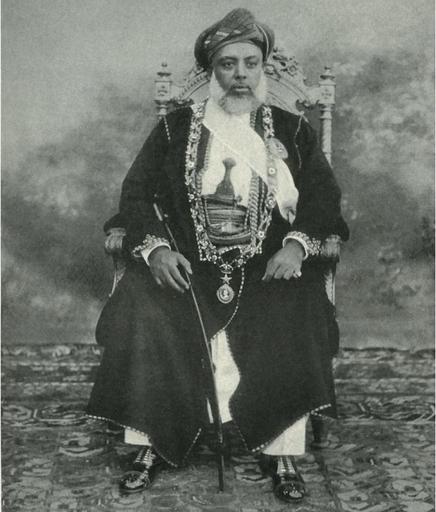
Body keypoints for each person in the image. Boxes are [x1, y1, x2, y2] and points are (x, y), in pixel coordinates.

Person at [87, 7, 349, 504]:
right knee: (143, 304)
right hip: (189, 266)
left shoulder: (292, 130)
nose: (240, 75)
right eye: (228, 64)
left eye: (251, 63)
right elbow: (136, 195)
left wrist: (296, 246)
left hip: (267, 267)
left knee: (297, 307)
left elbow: (323, 199)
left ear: (263, 68)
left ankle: (282, 450)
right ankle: (152, 444)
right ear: (212, 71)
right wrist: (157, 250)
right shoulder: (176, 129)